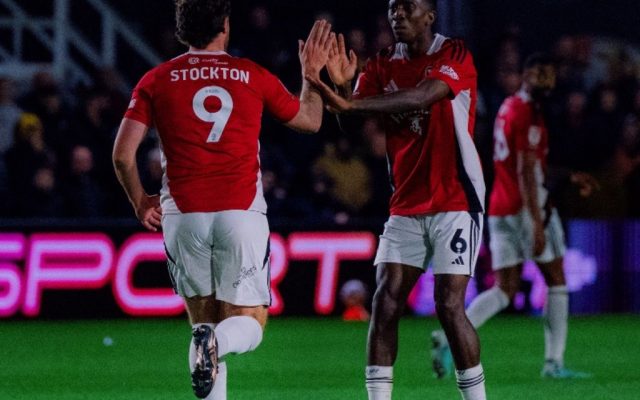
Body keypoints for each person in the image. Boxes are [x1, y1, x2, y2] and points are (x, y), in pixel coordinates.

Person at [112, 1, 332, 398]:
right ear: (225, 27)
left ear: (182, 32)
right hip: (240, 210)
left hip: (183, 214)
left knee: (203, 325)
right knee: (249, 322)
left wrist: (140, 202)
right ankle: (219, 345)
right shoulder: (250, 75)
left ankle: (211, 345)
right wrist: (311, 77)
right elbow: (310, 121)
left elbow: (122, 155)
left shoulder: (156, 79)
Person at [306, 1, 486, 398]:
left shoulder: (453, 53)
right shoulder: (382, 61)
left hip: (456, 199)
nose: (397, 15)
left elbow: (423, 96)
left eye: (408, 7)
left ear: (430, 15)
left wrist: (351, 101)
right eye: (391, 8)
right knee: (385, 301)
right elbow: (349, 118)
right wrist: (341, 88)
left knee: (449, 305)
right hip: (405, 202)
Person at [431, 53, 596, 379]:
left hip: (499, 206)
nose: (544, 80)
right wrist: (535, 220)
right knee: (557, 279)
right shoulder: (529, 113)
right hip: (526, 207)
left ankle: (447, 336)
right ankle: (554, 363)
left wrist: (566, 176)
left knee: (505, 289)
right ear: (525, 75)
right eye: (537, 73)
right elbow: (525, 169)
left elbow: (520, 162)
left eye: (547, 74)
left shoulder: (508, 107)